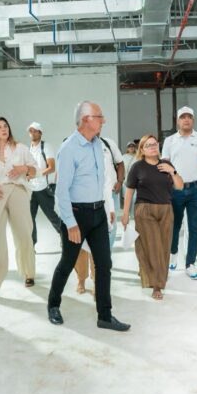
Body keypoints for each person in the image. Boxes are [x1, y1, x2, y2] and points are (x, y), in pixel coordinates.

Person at [47, 101, 130, 332]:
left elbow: (102, 181)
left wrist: (108, 208)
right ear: (86, 120)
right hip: (77, 215)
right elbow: (61, 190)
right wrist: (70, 223)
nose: (103, 120)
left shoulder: (97, 144)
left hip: (98, 213)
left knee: (104, 264)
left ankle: (105, 315)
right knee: (67, 263)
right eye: (99, 116)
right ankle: (53, 305)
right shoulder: (69, 148)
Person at [0, 117, 37, 302]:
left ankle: (28, 272)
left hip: (17, 190)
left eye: (5, 126)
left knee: (24, 233)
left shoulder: (20, 148)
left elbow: (35, 170)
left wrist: (23, 168)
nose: (3, 129)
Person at [122, 135, 183, 300]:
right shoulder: (137, 167)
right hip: (145, 210)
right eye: (148, 145)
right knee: (153, 247)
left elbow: (179, 186)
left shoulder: (167, 164)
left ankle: (152, 275)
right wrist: (125, 214)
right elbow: (129, 191)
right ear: (142, 149)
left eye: (154, 144)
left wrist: (172, 171)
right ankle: (157, 285)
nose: (152, 147)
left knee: (164, 247)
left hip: (166, 209)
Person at [161, 106, 197, 280]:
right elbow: (165, 165)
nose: (186, 120)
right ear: (178, 121)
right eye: (183, 117)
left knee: (194, 228)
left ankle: (190, 264)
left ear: (193, 120)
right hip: (176, 189)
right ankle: (173, 253)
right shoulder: (169, 141)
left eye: (189, 117)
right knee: (174, 225)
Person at [27, 121, 62, 246]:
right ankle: (32, 245)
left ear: (40, 133)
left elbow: (51, 168)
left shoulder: (46, 146)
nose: (32, 133)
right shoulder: (28, 149)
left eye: (35, 130)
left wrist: (35, 175)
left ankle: (64, 236)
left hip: (43, 189)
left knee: (51, 216)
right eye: (30, 131)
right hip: (30, 190)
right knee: (29, 218)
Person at [98, 135, 124, 248]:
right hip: (92, 194)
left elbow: (120, 163)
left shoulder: (108, 143)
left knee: (111, 223)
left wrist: (120, 181)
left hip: (111, 192)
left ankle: (108, 253)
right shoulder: (81, 144)